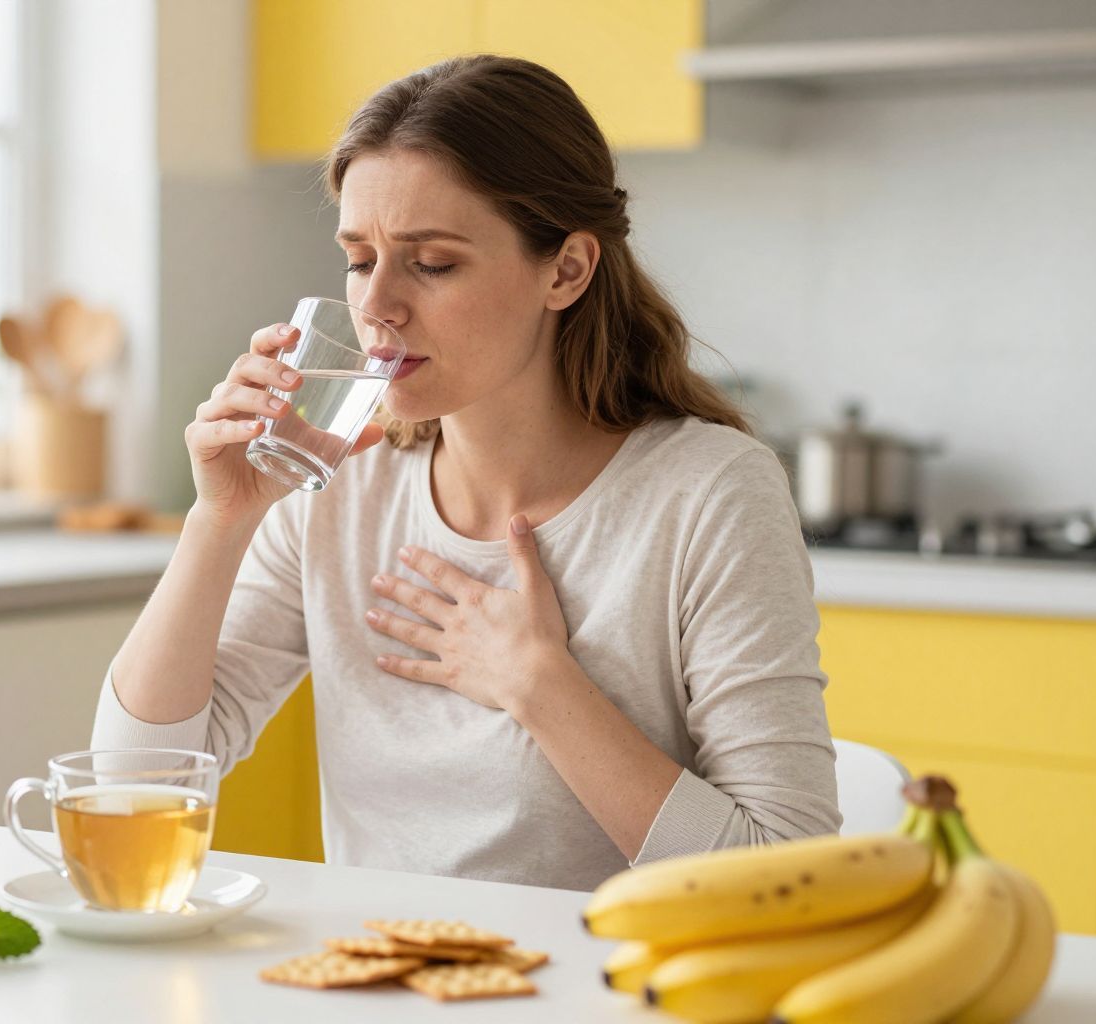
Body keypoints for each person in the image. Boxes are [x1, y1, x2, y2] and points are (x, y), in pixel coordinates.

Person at [91, 54, 840, 891]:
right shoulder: (335, 485)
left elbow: (789, 878)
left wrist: (539, 686)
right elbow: (129, 793)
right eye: (358, 256)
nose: (375, 305)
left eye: (432, 263)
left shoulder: (708, 492)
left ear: (567, 270)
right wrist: (219, 522)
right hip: (384, 979)